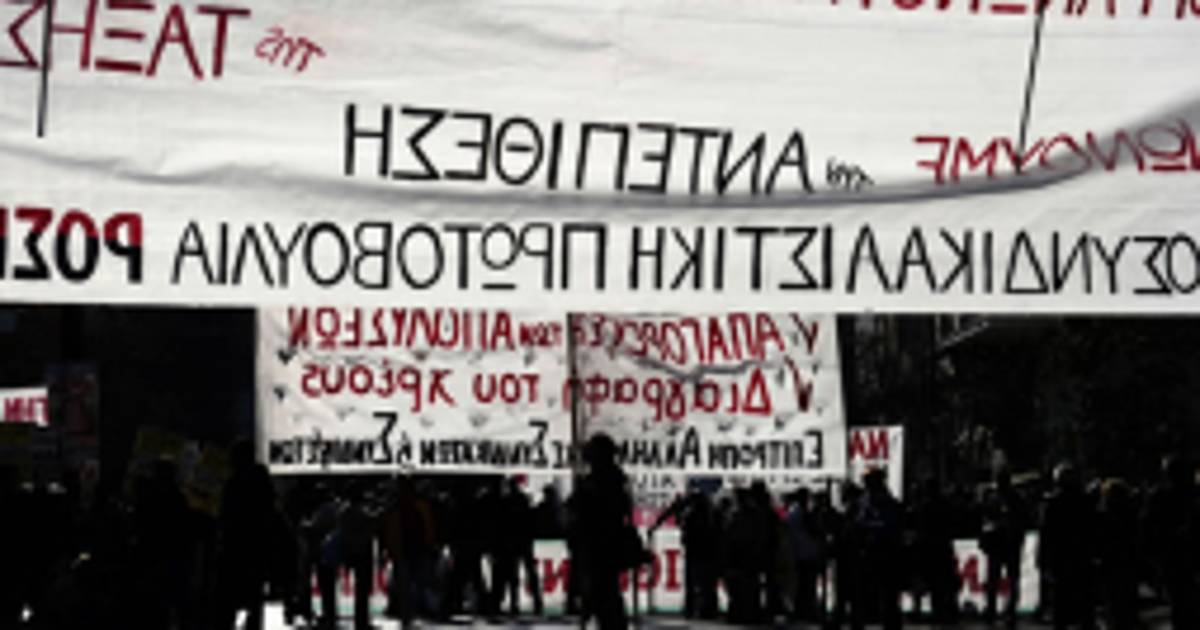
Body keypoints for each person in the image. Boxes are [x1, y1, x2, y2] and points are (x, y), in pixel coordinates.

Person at [575, 433, 635, 630]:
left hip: (600, 547)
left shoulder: (601, 482)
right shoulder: (615, 480)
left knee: (603, 597)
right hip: (601, 548)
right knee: (605, 597)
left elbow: (589, 513)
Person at [1143, 456, 1199, 630]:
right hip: (1180, 557)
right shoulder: (1190, 494)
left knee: (1181, 604)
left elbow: (1148, 531)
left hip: (1174, 558)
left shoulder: (1159, 497)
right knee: (1184, 603)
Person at [1041, 462, 1095, 630]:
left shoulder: (1053, 503)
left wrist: (1043, 559)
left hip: (1061, 559)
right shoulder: (1085, 501)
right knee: (1085, 602)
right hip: (1081, 557)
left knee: (1061, 603)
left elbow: (1046, 534)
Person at [652, 487, 718, 619]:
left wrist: (656, 525)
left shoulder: (695, 509)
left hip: (697, 547)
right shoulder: (705, 508)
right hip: (702, 547)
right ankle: (702, 609)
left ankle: (695, 608)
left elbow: (671, 512)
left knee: (696, 579)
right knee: (703, 580)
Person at [853, 469, 902, 630]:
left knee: (888, 595)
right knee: (864, 594)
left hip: (885, 553)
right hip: (868, 553)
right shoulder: (864, 502)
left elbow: (891, 526)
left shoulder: (887, 503)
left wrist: (868, 527)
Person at [981, 470, 1028, 628]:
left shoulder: (1001, 498)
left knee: (1003, 580)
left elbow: (987, 520)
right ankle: (1001, 611)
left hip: (1004, 544)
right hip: (1004, 544)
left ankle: (1001, 611)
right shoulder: (1004, 498)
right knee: (1005, 580)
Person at [1098, 479, 1138, 630]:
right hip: (1128, 562)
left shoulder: (1103, 516)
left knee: (1113, 603)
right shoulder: (1131, 514)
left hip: (1110, 564)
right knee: (1128, 602)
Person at [784, 487, 823, 623]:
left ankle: (801, 610)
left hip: (799, 552)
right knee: (807, 584)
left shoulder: (793, 512)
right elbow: (814, 530)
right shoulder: (803, 513)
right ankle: (806, 610)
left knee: (802, 584)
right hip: (806, 553)